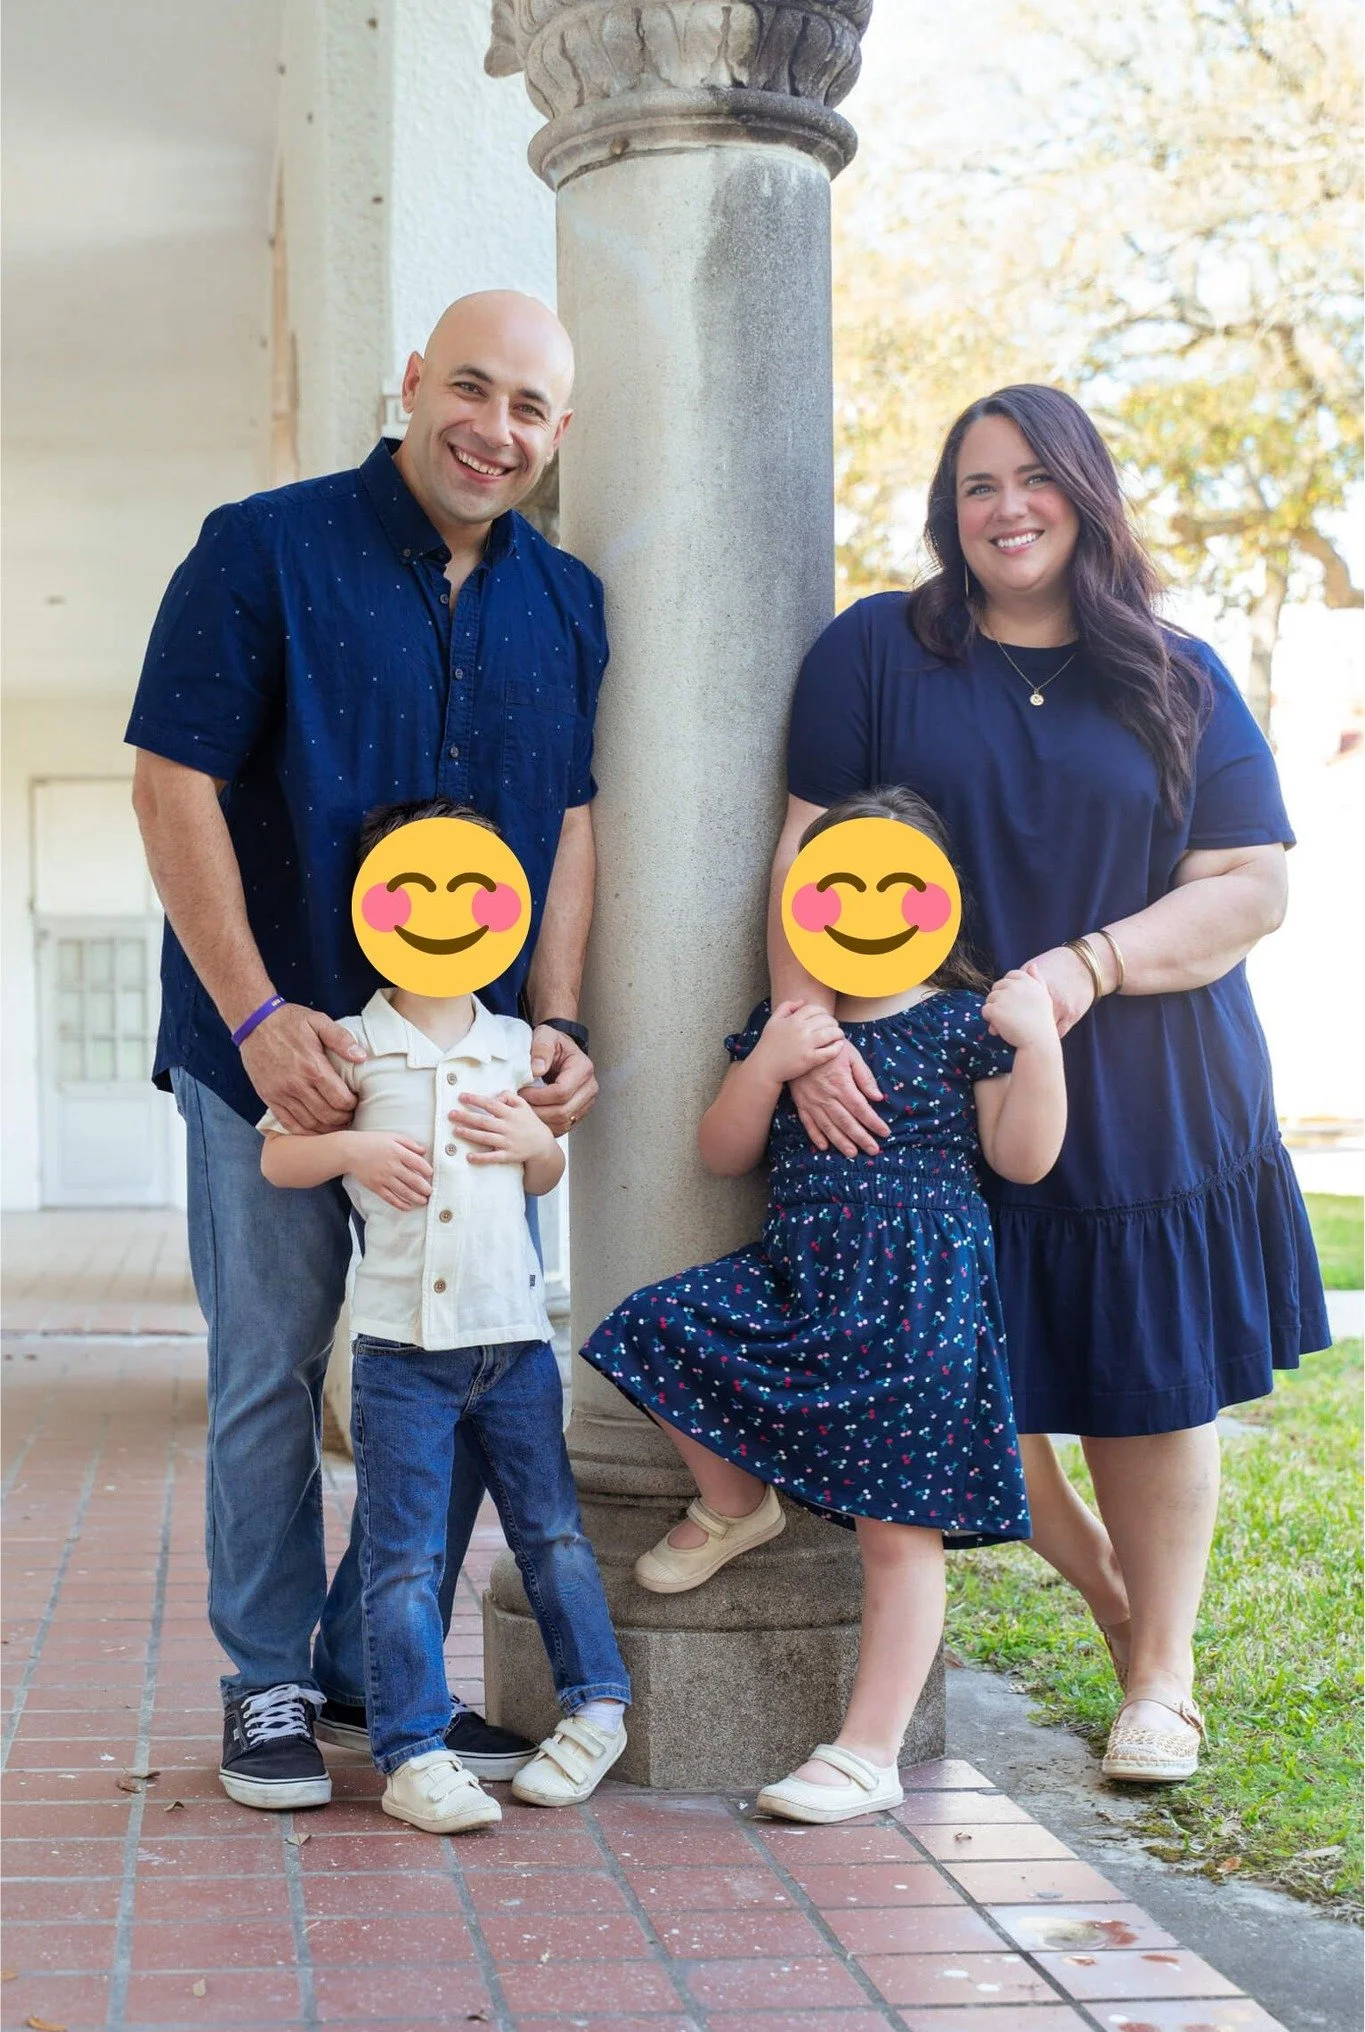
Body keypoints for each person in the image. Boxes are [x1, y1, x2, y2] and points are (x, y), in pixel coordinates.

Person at [771, 385, 1330, 1783]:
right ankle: (1107, 1600)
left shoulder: (1176, 672)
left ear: (1085, 492)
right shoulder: (873, 655)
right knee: (960, 1385)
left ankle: (1162, 1679)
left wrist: (1083, 971)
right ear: (944, 511)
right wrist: (804, 1028)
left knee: (1147, 1392)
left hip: (1150, 1079)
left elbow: (1252, 889)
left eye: (1034, 478)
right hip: (935, 1089)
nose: (1006, 506)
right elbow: (800, 864)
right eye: (975, 484)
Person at [126, 291, 606, 1808]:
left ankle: (363, 1666)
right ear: (410, 384)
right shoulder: (259, 547)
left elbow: (572, 827)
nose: (496, 427)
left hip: (469, 1065)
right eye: (471, 388)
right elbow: (170, 784)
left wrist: (561, 1028)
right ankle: (267, 1681)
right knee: (272, 1366)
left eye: (530, 407)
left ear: (557, 433)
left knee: (469, 1362)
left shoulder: (569, 600)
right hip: (273, 1048)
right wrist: (265, 1020)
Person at [582, 789, 1067, 1823]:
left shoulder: (963, 1022)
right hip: (799, 1279)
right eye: (837, 884)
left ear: (939, 900)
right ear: (803, 903)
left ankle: (867, 1748)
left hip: (917, 1306)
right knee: (649, 1324)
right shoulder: (794, 1021)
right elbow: (723, 1152)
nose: (866, 904)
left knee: (900, 1531)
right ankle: (736, 1502)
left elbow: (1022, 1156)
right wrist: (767, 1065)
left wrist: (1043, 1045)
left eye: (895, 884)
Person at [257, 799, 630, 1831]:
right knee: (406, 1555)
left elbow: (549, 1171)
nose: (444, 911)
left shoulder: (518, 1046)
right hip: (399, 1355)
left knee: (552, 1531)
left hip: (512, 1343)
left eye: (472, 889)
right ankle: (412, 1749)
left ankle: (597, 1706)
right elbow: (279, 1153)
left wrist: (533, 1138)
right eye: (415, 887)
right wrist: (352, 1151)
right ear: (373, 908)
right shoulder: (349, 1047)